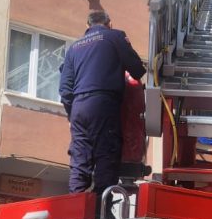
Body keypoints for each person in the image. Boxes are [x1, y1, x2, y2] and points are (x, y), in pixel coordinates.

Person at [59, 10, 146, 198]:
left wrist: (71, 113)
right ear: (110, 24)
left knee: (79, 163)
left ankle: (75, 211)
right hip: (103, 104)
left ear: (87, 26)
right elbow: (137, 69)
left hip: (79, 108)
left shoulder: (73, 48)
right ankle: (100, 214)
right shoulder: (115, 37)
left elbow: (65, 90)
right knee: (106, 157)